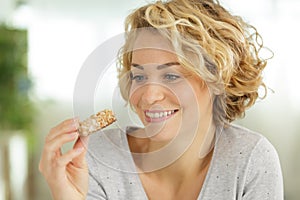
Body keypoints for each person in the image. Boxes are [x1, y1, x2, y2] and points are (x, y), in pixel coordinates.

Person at [39, 0, 284, 199]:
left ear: (217, 80)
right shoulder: (96, 156)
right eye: (139, 75)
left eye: (170, 75)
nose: (149, 96)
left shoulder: (250, 159)